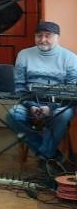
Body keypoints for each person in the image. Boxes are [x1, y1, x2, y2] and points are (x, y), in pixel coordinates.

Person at [6, 21, 77, 160]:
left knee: (61, 116)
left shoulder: (71, 58)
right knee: (13, 116)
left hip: (61, 105)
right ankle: (49, 155)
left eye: (48, 35)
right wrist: (31, 106)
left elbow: (72, 92)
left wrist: (50, 108)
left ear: (57, 37)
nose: (43, 39)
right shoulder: (24, 55)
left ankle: (45, 155)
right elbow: (19, 87)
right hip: (30, 102)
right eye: (39, 35)